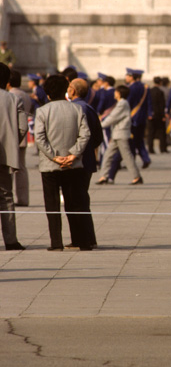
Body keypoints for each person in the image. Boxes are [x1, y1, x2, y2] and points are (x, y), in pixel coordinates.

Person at [34, 75, 92, 251]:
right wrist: (73, 154)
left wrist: (53, 156)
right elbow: (85, 134)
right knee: (73, 203)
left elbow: (39, 137)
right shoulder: (76, 109)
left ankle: (56, 242)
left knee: (52, 205)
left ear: (47, 93)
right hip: (72, 164)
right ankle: (81, 240)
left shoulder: (43, 111)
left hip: (50, 165)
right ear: (65, 90)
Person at [67, 77, 104, 248]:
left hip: (74, 162)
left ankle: (82, 240)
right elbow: (98, 138)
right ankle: (89, 238)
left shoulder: (73, 109)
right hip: (87, 161)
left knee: (75, 201)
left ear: (73, 90)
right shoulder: (89, 108)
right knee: (82, 200)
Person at [0, 64, 28, 250]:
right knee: (6, 196)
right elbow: (23, 127)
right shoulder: (13, 98)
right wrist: (12, 142)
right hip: (4, 155)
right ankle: (11, 240)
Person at [96, 85, 142, 186]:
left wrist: (100, 125)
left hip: (121, 134)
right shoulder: (121, 103)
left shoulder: (122, 103)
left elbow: (113, 117)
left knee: (127, 156)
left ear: (119, 93)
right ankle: (104, 176)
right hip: (117, 134)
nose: (114, 93)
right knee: (108, 155)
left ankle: (136, 176)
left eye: (116, 92)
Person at [7, 70, 34, 207]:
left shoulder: (11, 96)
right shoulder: (25, 94)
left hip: (11, 136)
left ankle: (8, 197)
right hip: (22, 136)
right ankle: (23, 198)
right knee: (22, 168)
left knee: (9, 168)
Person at [147, 77, 167, 154]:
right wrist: (163, 116)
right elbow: (162, 105)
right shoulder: (160, 92)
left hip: (151, 115)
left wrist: (149, 113)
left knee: (151, 133)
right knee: (161, 132)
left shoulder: (150, 91)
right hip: (159, 115)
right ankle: (162, 148)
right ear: (160, 82)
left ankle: (150, 149)